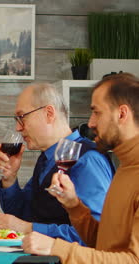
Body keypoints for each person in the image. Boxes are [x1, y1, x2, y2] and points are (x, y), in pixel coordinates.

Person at [22, 73, 139, 263]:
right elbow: (103, 242)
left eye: (97, 112)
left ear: (122, 114)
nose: (91, 123)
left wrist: (55, 247)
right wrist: (74, 205)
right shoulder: (126, 166)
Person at [0, 83, 115, 244]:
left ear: (49, 113)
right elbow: (24, 214)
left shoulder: (88, 159)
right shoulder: (49, 158)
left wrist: (28, 228)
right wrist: (9, 179)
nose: (18, 128)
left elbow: (96, 235)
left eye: (22, 117)